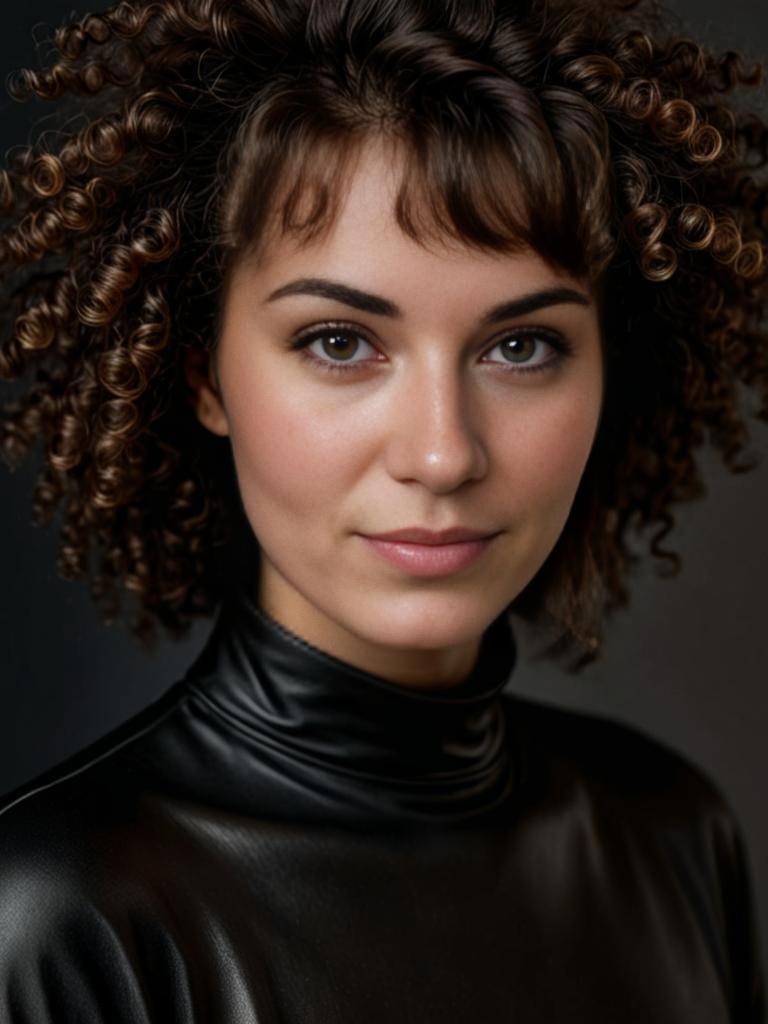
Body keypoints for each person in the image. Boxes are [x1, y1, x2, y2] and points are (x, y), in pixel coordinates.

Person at [0, 0, 765, 1020]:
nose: (443, 452)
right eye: (338, 341)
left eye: (521, 345)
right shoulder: (60, 916)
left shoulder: (674, 836)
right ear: (205, 376)